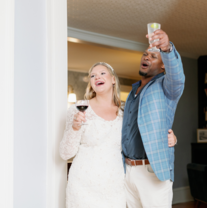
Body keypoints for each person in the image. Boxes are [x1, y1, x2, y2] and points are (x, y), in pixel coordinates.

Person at [59, 62, 178, 208]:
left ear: (113, 79)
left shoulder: (124, 112)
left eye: (102, 73)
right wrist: (75, 128)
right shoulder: (79, 110)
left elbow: (144, 135)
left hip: (115, 186)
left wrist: (171, 138)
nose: (97, 77)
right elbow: (65, 153)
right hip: (83, 184)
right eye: (93, 75)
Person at [122, 29, 185, 208]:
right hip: (128, 170)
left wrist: (166, 49)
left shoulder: (167, 87)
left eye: (153, 56)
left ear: (163, 65)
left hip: (152, 170)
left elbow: (178, 77)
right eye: (145, 54)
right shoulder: (132, 93)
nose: (146, 58)